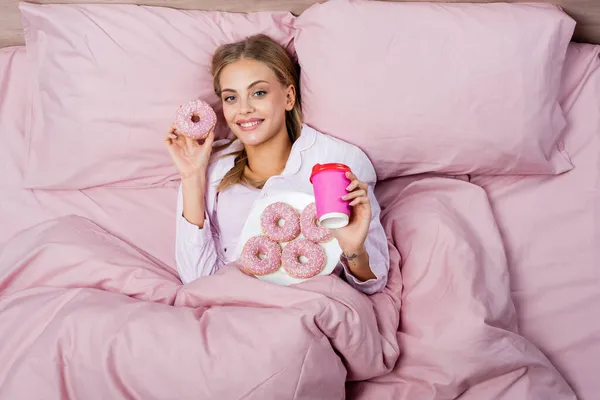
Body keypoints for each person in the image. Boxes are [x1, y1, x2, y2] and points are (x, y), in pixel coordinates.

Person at [164, 34, 389, 295]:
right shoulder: (210, 166)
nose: (244, 109)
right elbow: (197, 281)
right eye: (231, 98)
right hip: (229, 311)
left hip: (308, 309)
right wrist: (192, 178)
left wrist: (353, 251)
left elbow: (374, 282)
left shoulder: (339, 162)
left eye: (258, 93)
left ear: (289, 97)